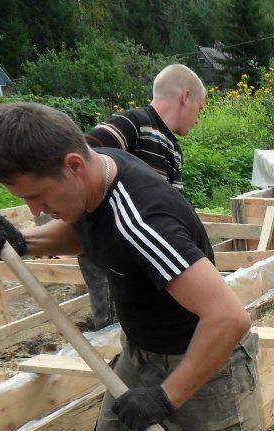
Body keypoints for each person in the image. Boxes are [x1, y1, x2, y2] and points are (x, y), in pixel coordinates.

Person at [0, 102, 270, 431]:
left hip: (205, 361)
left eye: (37, 196)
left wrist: (164, 398)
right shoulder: (96, 172)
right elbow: (89, 232)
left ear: (74, 166)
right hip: (139, 354)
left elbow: (228, 318)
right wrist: (23, 243)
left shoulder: (145, 221)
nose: (36, 211)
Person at [81, 64, 207, 328]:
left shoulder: (170, 146)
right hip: (114, 250)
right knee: (114, 325)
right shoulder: (134, 122)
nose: (198, 118)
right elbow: (82, 157)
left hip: (144, 252)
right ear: (185, 97)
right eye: (200, 108)